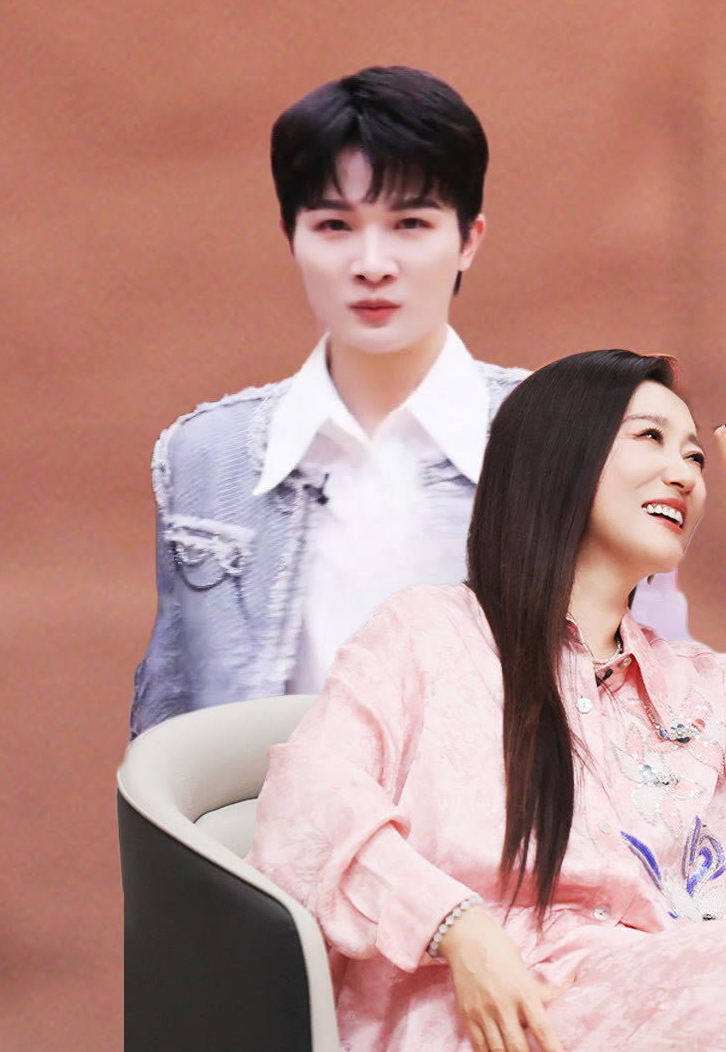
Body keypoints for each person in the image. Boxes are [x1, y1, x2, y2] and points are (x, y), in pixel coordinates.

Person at [249, 350, 726, 1051]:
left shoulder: (710, 690)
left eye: (695, 457)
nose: (684, 474)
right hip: (491, 1021)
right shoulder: (428, 635)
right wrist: (456, 926)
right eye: (650, 437)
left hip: (676, 1015)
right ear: (560, 453)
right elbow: (304, 807)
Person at [130, 66, 682, 737]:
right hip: (264, 809)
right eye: (335, 225)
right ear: (291, 235)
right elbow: (168, 732)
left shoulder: (578, 443)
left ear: (469, 239)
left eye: (410, 223)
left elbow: (657, 711)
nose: (372, 263)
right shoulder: (205, 459)